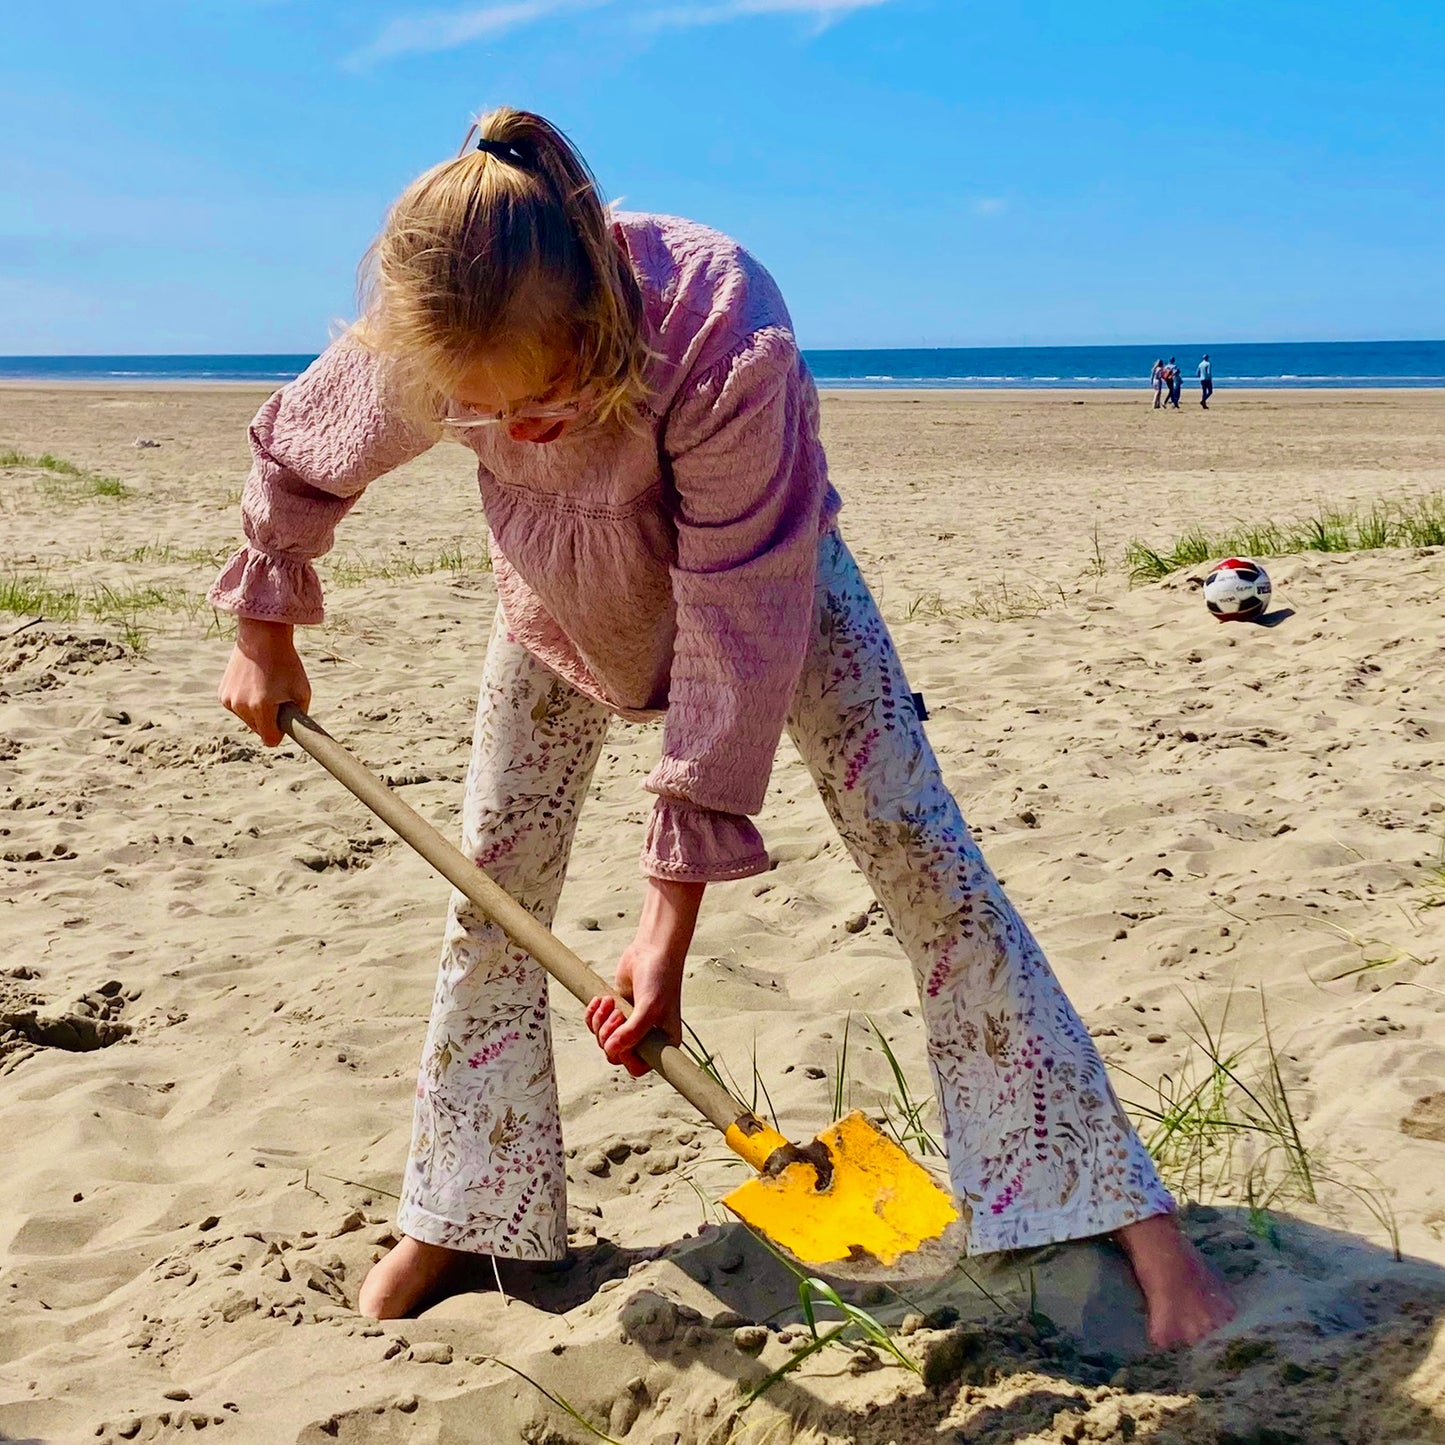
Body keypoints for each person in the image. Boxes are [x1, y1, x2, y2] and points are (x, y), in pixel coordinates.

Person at [211, 107, 1234, 1347]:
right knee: (489, 892)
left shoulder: (720, 327)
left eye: (536, 407)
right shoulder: (433, 325)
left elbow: (735, 624)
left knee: (928, 865)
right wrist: (265, 617)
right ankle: (462, 1208)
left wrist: (664, 923)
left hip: (772, 594)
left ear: (591, 318)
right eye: (479, 417)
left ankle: (1112, 1201)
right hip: (555, 605)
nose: (516, 435)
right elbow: (306, 452)